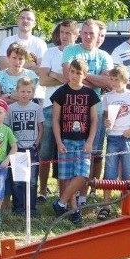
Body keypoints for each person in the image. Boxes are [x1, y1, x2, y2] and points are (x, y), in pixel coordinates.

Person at [62, 19, 112, 205]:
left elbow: (108, 83)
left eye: (92, 33)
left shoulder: (104, 56)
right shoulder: (70, 50)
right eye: (85, 32)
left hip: (95, 109)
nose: (88, 36)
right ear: (80, 33)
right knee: (72, 154)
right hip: (72, 109)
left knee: (92, 153)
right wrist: (94, 78)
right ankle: (69, 196)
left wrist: (81, 75)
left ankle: (85, 194)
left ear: (98, 35)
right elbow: (68, 78)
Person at [50, 58, 99, 226]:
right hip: (65, 140)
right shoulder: (61, 93)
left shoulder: (90, 94)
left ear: (84, 75)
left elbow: (94, 120)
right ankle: (73, 210)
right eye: (72, 71)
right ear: (68, 72)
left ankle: (60, 203)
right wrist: (58, 141)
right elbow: (55, 119)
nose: (75, 75)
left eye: (79, 73)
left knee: (83, 174)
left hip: (83, 141)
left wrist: (90, 141)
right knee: (67, 177)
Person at [98, 65, 130, 220]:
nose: (113, 82)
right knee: (110, 172)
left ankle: (127, 206)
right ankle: (106, 206)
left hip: (128, 137)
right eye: (111, 79)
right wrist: (106, 122)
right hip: (113, 136)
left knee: (129, 173)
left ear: (125, 81)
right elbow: (106, 117)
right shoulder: (107, 96)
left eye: (116, 80)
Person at [37, 20, 75, 200]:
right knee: (45, 150)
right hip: (49, 106)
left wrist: (53, 73)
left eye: (69, 32)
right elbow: (43, 81)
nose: (65, 36)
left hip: (71, 107)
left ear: (76, 34)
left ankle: (64, 192)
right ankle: (42, 190)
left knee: (65, 151)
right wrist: (60, 77)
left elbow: (74, 81)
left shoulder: (77, 53)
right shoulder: (50, 52)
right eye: (62, 32)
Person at [8, 77, 43, 216]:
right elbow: (8, 128)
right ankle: (18, 207)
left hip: (32, 148)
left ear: (33, 93)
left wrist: (36, 143)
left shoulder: (37, 108)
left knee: (32, 180)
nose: (25, 94)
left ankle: (31, 208)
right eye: (22, 91)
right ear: (17, 91)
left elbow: (41, 128)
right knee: (17, 180)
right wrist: (13, 145)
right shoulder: (11, 108)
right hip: (17, 149)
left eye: (28, 91)